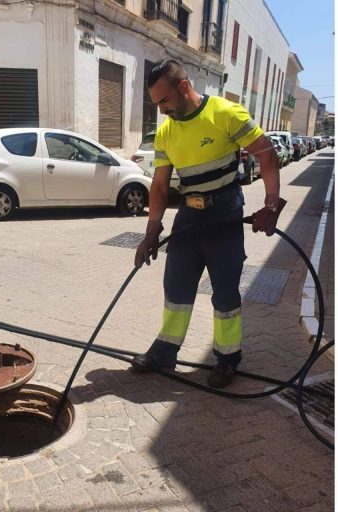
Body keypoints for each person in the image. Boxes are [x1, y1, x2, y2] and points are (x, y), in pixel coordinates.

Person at [131, 59, 286, 388]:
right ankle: (165, 351)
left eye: (164, 101)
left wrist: (271, 204)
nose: (161, 110)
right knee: (176, 287)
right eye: (156, 103)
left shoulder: (226, 114)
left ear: (183, 86)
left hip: (224, 214)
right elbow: (159, 185)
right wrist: (151, 230)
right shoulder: (166, 132)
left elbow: (266, 154)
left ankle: (228, 358)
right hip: (188, 218)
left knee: (225, 292)